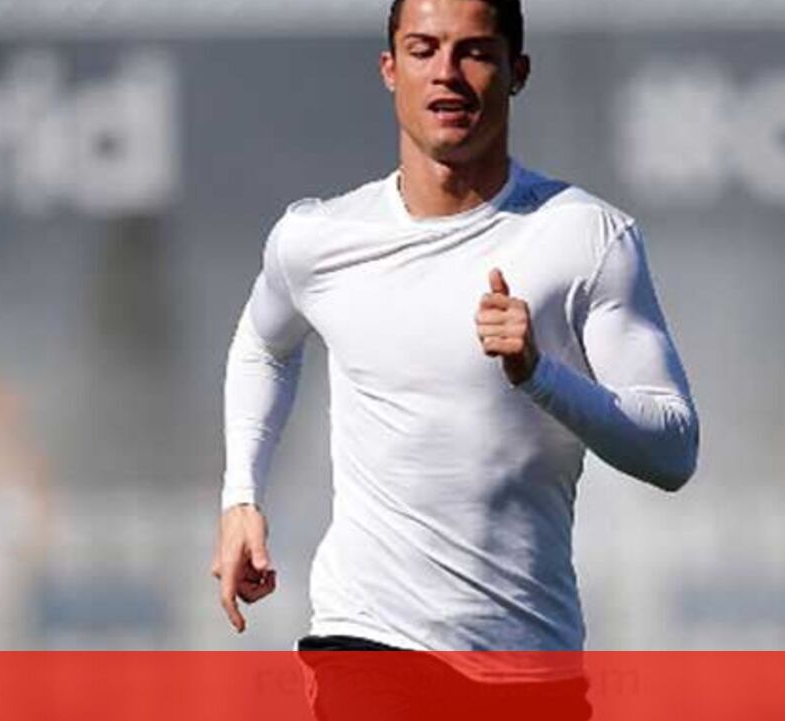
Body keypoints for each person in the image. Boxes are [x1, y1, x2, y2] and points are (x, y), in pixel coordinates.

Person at [211, 0, 699, 716]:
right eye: (423, 49)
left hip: (529, 667)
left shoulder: (586, 237)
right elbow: (263, 345)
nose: (447, 73)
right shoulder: (317, 239)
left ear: (516, 71)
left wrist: (540, 375)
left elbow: (673, 449)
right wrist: (241, 498)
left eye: (473, 52)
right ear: (389, 69)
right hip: (367, 645)